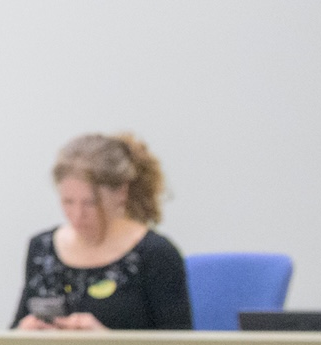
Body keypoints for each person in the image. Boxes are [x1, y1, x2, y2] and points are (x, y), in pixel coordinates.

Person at [13, 131, 192, 331]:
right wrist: (22, 334)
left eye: (90, 203)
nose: (77, 215)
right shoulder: (42, 248)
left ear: (121, 193)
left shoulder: (155, 255)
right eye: (68, 202)